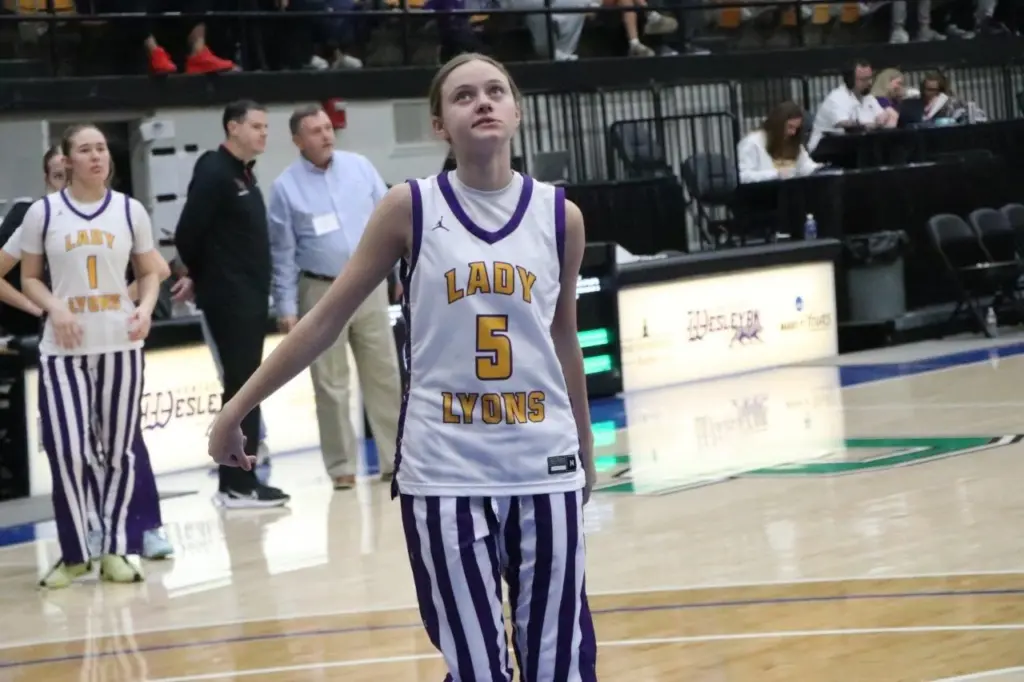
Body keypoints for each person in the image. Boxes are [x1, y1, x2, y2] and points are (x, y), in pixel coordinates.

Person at [208, 53, 598, 680]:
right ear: (439, 124)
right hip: (444, 471)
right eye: (464, 95)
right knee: (477, 670)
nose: (483, 102)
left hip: (543, 464)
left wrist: (585, 449)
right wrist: (238, 406)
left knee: (559, 667)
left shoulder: (560, 216)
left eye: (496, 91)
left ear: (517, 111)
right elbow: (323, 320)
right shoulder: (409, 207)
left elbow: (565, 340)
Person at [0, 147, 175, 563]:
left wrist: (120, 302)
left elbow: (160, 269)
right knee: (72, 445)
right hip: (63, 343)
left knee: (124, 443)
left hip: (113, 340)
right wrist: (41, 309)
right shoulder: (37, 216)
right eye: (58, 175)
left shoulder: (118, 211)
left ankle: (145, 527)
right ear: (48, 178)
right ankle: (91, 531)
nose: (67, 180)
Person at [268, 105, 403, 490]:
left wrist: (398, 271)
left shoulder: (360, 167)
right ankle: (341, 466)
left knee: (385, 374)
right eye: (315, 131)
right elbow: (282, 252)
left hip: (369, 283)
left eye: (328, 128)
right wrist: (286, 307)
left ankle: (396, 459)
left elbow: (391, 219)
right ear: (298, 140)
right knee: (330, 382)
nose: (326, 135)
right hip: (320, 290)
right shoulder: (285, 187)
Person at [174, 100, 289, 509]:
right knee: (242, 390)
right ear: (233, 128)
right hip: (230, 298)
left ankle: (241, 478)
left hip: (249, 297)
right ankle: (237, 482)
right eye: (256, 126)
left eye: (266, 127)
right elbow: (187, 233)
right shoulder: (214, 170)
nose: (264, 133)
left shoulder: (243, 173)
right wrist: (201, 276)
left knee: (247, 388)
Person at [737, 101, 821, 183]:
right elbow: (742, 176)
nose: (793, 132)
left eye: (796, 128)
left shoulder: (793, 142)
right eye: (790, 127)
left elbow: (806, 167)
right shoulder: (752, 142)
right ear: (778, 124)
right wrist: (775, 174)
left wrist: (821, 169)